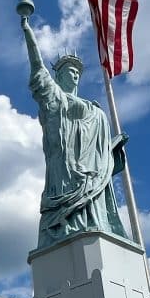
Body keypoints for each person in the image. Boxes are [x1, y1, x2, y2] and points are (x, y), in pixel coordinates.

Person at [21, 15, 129, 248]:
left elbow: (96, 152)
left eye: (78, 72)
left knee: (97, 225)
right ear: (58, 76)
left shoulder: (93, 108)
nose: (76, 75)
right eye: (71, 71)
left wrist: (111, 150)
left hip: (92, 181)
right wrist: (27, 30)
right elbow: (37, 66)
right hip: (66, 178)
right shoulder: (55, 99)